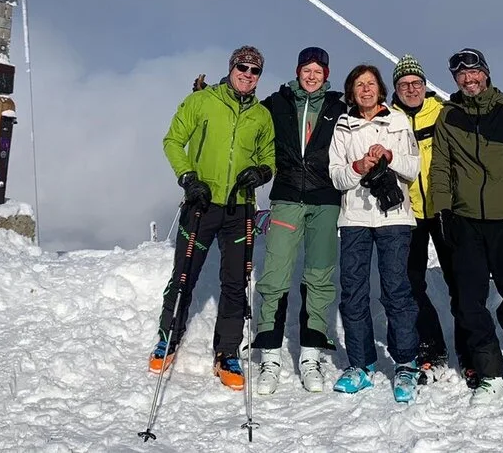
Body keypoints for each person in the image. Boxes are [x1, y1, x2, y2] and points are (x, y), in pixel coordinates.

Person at [150, 45, 276, 391]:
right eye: (242, 67)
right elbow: (173, 140)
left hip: (239, 207)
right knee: (184, 275)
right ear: (231, 67)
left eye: (254, 70)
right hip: (201, 202)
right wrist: (189, 178)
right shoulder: (202, 102)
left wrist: (262, 172)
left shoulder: (261, 116)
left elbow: (269, 155)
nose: (247, 74)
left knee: (235, 283)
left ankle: (227, 353)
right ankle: (167, 338)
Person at [428, 47, 503, 409]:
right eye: (461, 74)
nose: (468, 78)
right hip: (466, 221)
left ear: (486, 73)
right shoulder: (449, 117)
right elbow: (441, 168)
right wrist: (443, 212)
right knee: (470, 302)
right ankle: (490, 373)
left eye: (474, 71)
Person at [251, 47, 347, 395]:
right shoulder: (277, 103)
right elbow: (247, 122)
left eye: (318, 70)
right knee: (275, 276)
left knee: (319, 276)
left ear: (326, 74)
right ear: (297, 71)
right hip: (288, 196)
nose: (312, 75)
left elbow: (374, 112)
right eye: (306, 69)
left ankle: (310, 356)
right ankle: (270, 358)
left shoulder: (339, 106)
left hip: (325, 199)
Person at [327, 64, 422, 403]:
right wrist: (360, 166)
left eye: (370, 84)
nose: (365, 90)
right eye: (358, 85)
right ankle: (361, 364)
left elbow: (413, 168)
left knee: (396, 290)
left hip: (394, 218)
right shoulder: (343, 125)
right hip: (354, 217)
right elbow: (336, 176)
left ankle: (407, 364)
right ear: (351, 92)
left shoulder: (397, 121)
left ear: (380, 90)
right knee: (352, 291)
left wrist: (389, 155)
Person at [391, 55, 469, 381]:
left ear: (425, 85)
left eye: (417, 83)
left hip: (443, 208)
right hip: (407, 211)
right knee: (411, 284)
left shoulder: (444, 112)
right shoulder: (387, 117)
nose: (412, 89)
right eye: (404, 84)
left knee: (461, 282)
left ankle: (470, 350)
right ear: (396, 88)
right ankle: (431, 345)